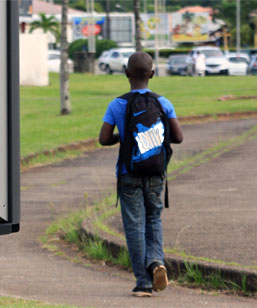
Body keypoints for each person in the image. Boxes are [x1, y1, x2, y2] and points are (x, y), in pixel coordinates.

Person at [98, 52, 183, 297]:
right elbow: (178, 137)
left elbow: (103, 139)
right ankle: (156, 262)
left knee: (134, 226)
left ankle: (143, 283)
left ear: (126, 74)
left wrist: (124, 137)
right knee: (153, 219)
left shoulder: (117, 104)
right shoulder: (163, 102)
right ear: (152, 74)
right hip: (156, 174)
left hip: (128, 175)